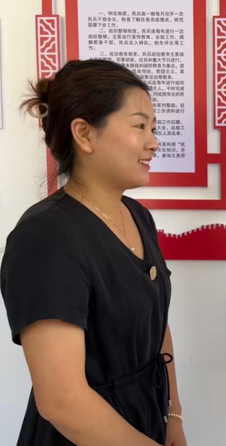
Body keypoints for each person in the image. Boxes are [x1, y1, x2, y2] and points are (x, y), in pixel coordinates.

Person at [1, 59, 187, 446]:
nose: (153, 142)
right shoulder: (44, 237)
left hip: (146, 419)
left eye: (153, 129)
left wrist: (173, 415)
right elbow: (63, 401)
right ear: (84, 134)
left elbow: (156, 325)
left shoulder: (138, 216)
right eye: (139, 126)